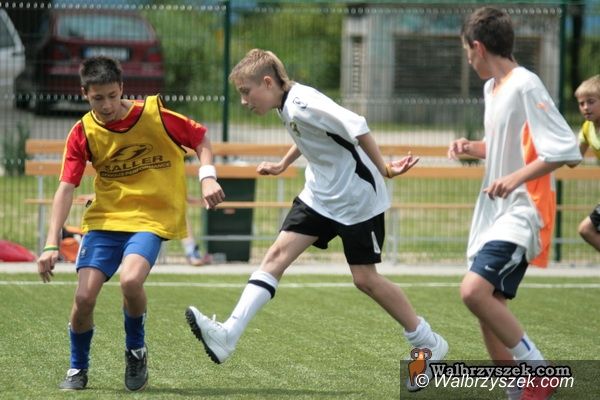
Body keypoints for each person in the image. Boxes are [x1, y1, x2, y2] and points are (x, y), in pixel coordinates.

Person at [185, 48, 448, 392]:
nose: (244, 101)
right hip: (320, 194)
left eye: (247, 92)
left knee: (365, 279)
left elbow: (357, 126)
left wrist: (384, 169)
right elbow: (309, 133)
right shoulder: (286, 104)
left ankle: (428, 342)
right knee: (275, 257)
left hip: (356, 199)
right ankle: (227, 335)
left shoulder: (303, 102)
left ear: (268, 82)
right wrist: (282, 164)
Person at [36, 55, 224, 391]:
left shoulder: (155, 115)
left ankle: (136, 351)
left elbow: (201, 138)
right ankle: (77, 368)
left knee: (131, 281)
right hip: (106, 219)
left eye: (112, 95)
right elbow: (66, 187)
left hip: (150, 218)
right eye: (98, 98)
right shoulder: (83, 132)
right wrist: (51, 244)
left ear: (122, 88)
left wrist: (207, 177)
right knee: (84, 298)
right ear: (84, 94)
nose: (107, 105)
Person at [449, 7, 581, 400]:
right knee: (488, 309)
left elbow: (566, 149)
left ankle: (539, 371)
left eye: (467, 52)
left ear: (478, 47)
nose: (468, 60)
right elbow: (503, 146)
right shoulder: (492, 89)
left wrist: (515, 179)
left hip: (523, 210)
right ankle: (517, 390)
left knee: (473, 292)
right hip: (492, 214)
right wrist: (473, 148)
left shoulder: (526, 84)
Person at [573, 75, 600, 252]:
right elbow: (573, 159)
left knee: (586, 228)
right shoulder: (587, 128)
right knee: (586, 230)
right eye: (581, 103)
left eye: (591, 102)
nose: (585, 107)